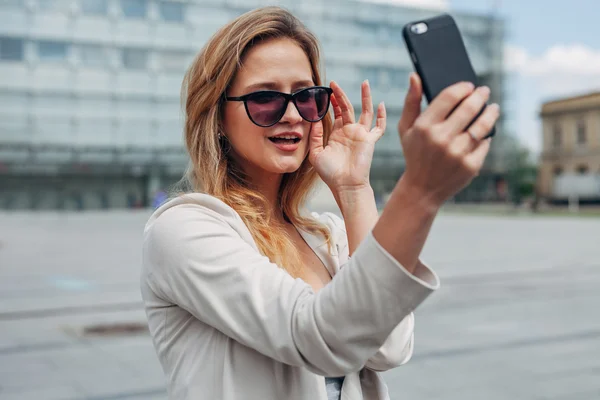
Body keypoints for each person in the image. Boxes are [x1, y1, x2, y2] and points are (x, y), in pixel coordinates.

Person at [140, 6, 499, 400]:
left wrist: (354, 191)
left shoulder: (325, 233)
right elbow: (319, 337)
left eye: (307, 96)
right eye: (265, 98)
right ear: (218, 116)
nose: (293, 114)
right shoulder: (183, 229)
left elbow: (389, 347)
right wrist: (420, 192)